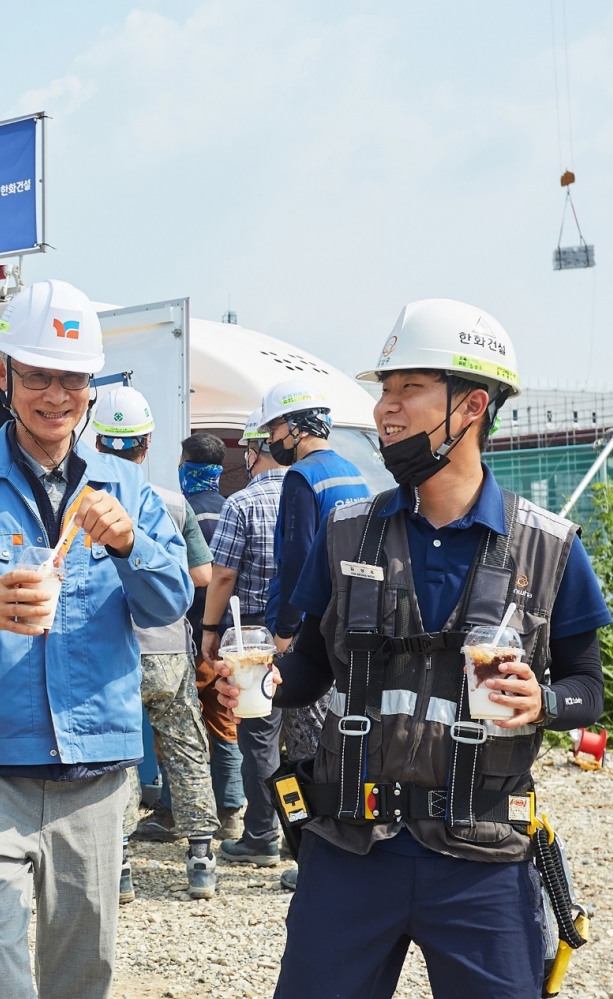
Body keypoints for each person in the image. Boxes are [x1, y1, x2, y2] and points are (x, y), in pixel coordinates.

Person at [228, 298, 610, 999]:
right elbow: (311, 663)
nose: (385, 410)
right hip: (349, 850)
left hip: (483, 858)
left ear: (469, 407)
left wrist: (546, 700)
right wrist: (271, 680)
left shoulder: (548, 547)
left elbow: (590, 686)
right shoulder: (346, 533)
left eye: (408, 390)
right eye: (384, 390)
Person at [0, 279, 193, 999]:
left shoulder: (125, 486)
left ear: (92, 385)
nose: (56, 395)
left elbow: (170, 600)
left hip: (95, 773)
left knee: (82, 975)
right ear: (4, 376)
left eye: (72, 378)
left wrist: (132, 545)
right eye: (38, 375)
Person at [89, 386, 221, 902]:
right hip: (167, 647)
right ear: (146, 445)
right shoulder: (171, 501)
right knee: (186, 747)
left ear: (98, 442)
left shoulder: (82, 501)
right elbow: (202, 573)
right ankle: (201, 861)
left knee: (118, 756)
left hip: (112, 649)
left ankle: (120, 865)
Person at [255, 379, 371, 890]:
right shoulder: (355, 474)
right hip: (352, 627)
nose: (272, 439)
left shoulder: (300, 478)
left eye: (274, 428)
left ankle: (313, 857)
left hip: (311, 629)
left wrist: (286, 632)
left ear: (297, 427)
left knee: (301, 750)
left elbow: (297, 558)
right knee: (344, 739)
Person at [201, 409, 289, 869]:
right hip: (304, 633)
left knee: (258, 734)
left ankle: (261, 834)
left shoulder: (241, 504)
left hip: (251, 632)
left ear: (254, 451)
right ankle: (306, 837)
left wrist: (210, 632)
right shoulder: (312, 494)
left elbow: (224, 575)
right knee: (309, 735)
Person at [179, 431, 242, 841]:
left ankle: (175, 811)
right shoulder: (231, 509)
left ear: (187, 466)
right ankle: (232, 810)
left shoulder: (179, 511)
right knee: (227, 722)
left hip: (190, 633)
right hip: (228, 635)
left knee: (182, 726)